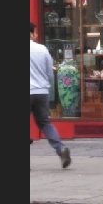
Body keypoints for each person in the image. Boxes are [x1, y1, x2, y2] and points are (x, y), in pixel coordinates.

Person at [30, 22, 71, 168]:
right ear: (32, 33)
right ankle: (61, 149)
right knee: (45, 123)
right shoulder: (42, 49)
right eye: (35, 32)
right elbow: (49, 72)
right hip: (41, 92)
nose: (36, 35)